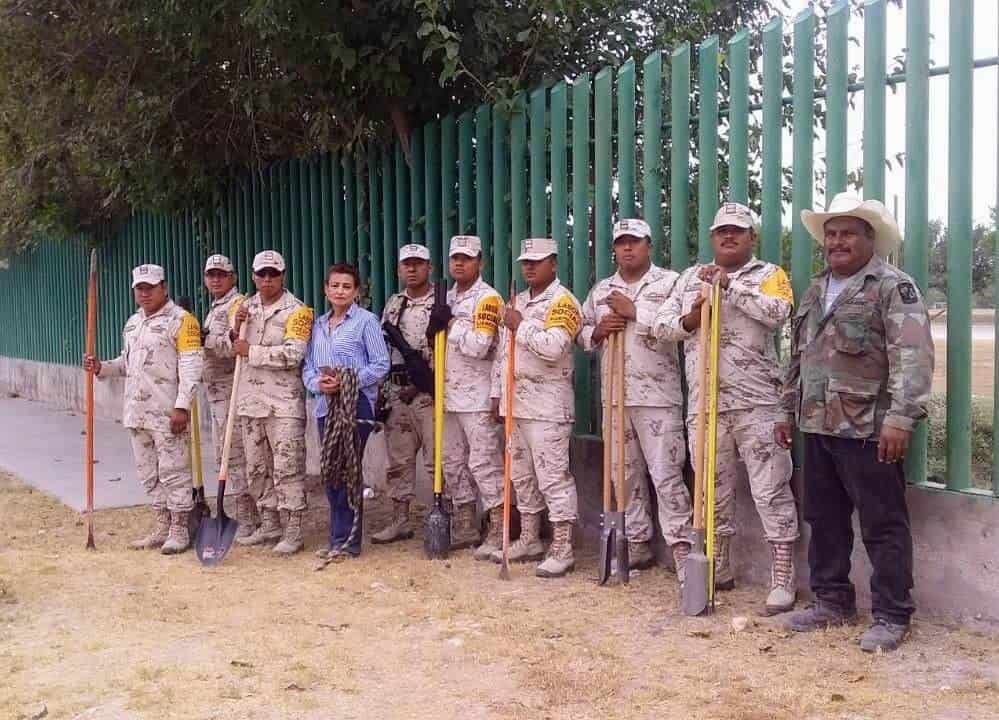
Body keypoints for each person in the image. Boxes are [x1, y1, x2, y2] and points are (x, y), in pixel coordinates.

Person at [780, 192, 934, 652]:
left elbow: (913, 356)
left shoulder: (892, 287)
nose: (837, 241)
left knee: (882, 522)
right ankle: (832, 601)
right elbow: (797, 357)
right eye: (831, 234)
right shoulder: (813, 289)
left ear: (871, 239)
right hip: (817, 424)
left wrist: (901, 418)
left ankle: (891, 614)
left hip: (869, 427)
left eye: (848, 232)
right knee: (823, 518)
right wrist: (785, 408)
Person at [653, 202, 799, 614]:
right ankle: (718, 566)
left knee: (770, 489)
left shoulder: (770, 276)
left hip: (757, 403)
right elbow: (660, 328)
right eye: (722, 232)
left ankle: (782, 574)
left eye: (738, 231)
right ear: (712, 237)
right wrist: (692, 317)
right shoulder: (688, 279)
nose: (729, 237)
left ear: (751, 237)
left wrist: (729, 287)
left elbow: (778, 313)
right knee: (711, 493)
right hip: (705, 405)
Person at [577, 219, 689, 579]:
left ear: (649, 245)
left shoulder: (669, 283)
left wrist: (635, 312)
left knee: (666, 474)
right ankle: (637, 541)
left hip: (657, 396)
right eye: (621, 243)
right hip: (615, 397)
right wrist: (596, 331)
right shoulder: (601, 290)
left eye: (635, 242)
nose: (628, 248)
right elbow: (578, 331)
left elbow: (679, 328)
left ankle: (682, 547)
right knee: (623, 475)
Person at [83, 264, 203, 554]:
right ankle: (161, 526)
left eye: (150, 287)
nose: (145, 293)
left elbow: (191, 367)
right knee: (149, 474)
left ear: (164, 287)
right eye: (140, 288)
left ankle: (179, 530)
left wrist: (182, 406)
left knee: (174, 472)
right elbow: (127, 364)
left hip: (167, 412)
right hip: (136, 413)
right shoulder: (133, 324)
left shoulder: (182, 321)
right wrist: (102, 368)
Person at [489, 237, 583, 578]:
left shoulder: (564, 302)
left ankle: (562, 546)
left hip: (548, 408)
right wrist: (496, 394)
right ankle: (530, 537)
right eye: (525, 261)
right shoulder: (518, 300)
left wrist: (520, 324)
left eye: (537, 261)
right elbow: (503, 353)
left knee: (553, 477)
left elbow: (555, 347)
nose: (529, 267)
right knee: (522, 475)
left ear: (554, 264)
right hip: (517, 404)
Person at [375, 244, 475, 545]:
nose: (412, 269)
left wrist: (420, 385)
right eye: (407, 264)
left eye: (419, 264)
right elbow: (386, 349)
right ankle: (400, 519)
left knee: (439, 461)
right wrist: (384, 392)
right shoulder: (394, 303)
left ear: (430, 268)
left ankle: (451, 519)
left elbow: (448, 351)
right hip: (397, 393)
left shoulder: (443, 302)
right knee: (398, 461)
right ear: (399, 269)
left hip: (429, 392)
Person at [303, 263, 390, 560]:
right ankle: (336, 538)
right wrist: (318, 383)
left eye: (346, 286)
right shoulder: (317, 326)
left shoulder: (366, 322)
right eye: (335, 285)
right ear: (326, 289)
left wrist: (348, 380)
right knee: (329, 471)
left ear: (356, 291)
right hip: (325, 405)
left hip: (356, 404)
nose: (340, 291)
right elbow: (308, 367)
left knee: (347, 470)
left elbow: (380, 364)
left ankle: (348, 542)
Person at [231, 250, 314, 555]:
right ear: (253, 276)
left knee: (287, 467)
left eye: (273, 274)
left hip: (283, 404)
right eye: (261, 274)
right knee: (256, 468)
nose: (267, 280)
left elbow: (294, 354)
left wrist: (249, 350)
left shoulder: (298, 311)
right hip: (250, 401)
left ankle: (293, 529)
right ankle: (269, 524)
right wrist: (234, 330)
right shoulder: (244, 308)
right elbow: (232, 346)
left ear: (282, 276)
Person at [429, 235, 505, 559]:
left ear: (480, 262)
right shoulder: (445, 296)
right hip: (447, 395)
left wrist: (452, 324)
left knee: (484, 463)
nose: (459, 263)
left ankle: (499, 528)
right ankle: (465, 525)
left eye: (467, 258)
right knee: (452, 462)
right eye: (455, 258)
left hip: (476, 396)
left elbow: (479, 346)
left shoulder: (487, 299)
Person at [199, 254, 256, 540]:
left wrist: (204, 339)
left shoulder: (238, 304)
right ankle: (246, 514)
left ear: (233, 277)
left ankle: (249, 518)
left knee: (234, 457)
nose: (216, 279)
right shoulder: (217, 306)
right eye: (211, 275)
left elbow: (233, 346)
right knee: (226, 456)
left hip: (231, 393)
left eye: (222, 274)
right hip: (216, 395)